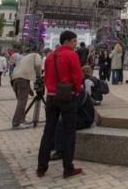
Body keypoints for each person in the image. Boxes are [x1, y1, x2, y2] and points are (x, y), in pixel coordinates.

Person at [37, 30, 83, 179]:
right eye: (74, 41)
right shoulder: (71, 55)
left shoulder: (50, 56)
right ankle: (67, 168)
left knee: (48, 131)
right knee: (69, 132)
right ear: (67, 41)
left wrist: (50, 88)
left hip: (51, 96)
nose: (75, 44)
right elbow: (77, 76)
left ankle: (41, 167)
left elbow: (46, 76)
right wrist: (76, 91)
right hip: (67, 97)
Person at [50, 67, 96, 161]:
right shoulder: (72, 89)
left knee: (61, 122)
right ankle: (52, 145)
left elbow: (73, 108)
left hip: (85, 119)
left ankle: (60, 151)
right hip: (80, 116)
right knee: (56, 119)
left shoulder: (78, 91)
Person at [10, 50, 43, 129]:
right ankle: (16, 123)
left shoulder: (25, 58)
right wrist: (39, 76)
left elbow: (24, 75)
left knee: (20, 101)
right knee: (22, 102)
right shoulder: (36, 55)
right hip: (22, 79)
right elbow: (38, 65)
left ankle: (22, 120)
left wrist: (30, 90)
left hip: (14, 78)